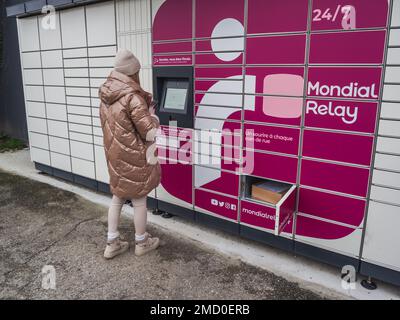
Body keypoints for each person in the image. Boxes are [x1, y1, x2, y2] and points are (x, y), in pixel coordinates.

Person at [99, 49, 161, 259]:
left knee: (117, 198)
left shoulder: (107, 95)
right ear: (133, 72)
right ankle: (142, 242)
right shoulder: (132, 97)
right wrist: (153, 117)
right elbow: (149, 131)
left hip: (115, 155)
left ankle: (112, 242)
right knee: (139, 201)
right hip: (134, 157)